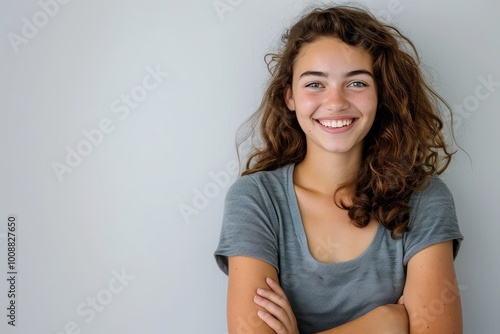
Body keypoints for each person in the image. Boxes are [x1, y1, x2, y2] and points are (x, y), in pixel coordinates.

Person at [214, 4, 463, 334]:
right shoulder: (256, 199)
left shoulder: (423, 198)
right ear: (289, 96)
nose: (335, 102)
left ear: (380, 94)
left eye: (357, 83)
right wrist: (384, 324)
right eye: (315, 84)